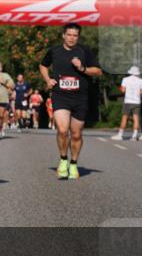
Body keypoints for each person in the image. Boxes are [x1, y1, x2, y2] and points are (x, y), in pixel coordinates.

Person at [39, 23, 103, 179]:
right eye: (69, 35)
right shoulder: (54, 51)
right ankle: (63, 159)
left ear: (78, 37)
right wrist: (48, 80)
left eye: (75, 35)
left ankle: (73, 163)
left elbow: (98, 71)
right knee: (62, 129)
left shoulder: (84, 51)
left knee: (76, 134)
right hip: (60, 95)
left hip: (80, 97)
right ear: (63, 35)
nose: (72, 38)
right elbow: (43, 65)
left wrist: (82, 68)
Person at [112, 66, 142, 141]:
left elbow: (123, 90)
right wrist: (137, 93)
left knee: (124, 118)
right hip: (137, 101)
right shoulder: (141, 80)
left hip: (128, 101)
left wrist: (123, 89)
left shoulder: (125, 79)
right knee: (136, 118)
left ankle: (120, 135)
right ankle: (134, 136)